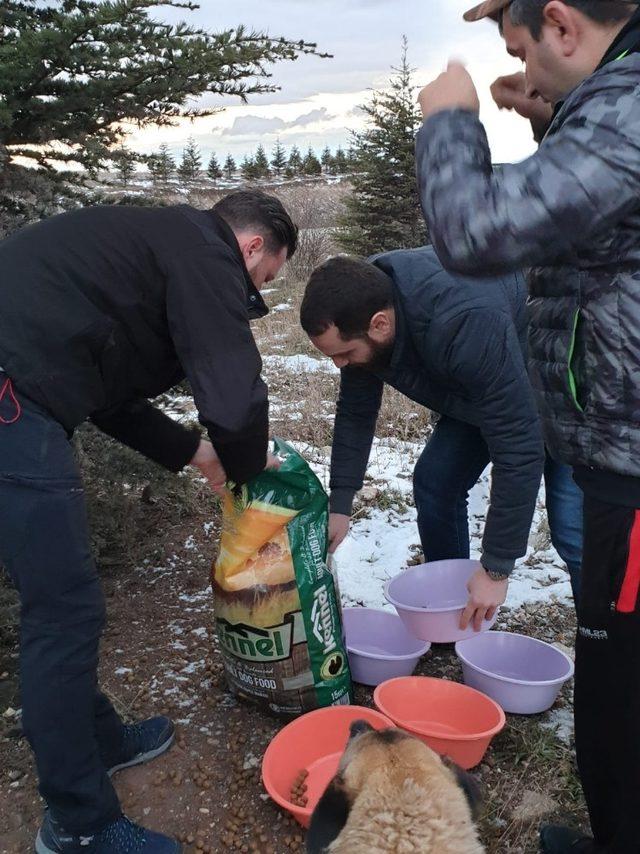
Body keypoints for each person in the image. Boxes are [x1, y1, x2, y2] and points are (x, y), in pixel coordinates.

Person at [0, 190, 297, 854]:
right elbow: (229, 378)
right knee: (64, 612)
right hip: (9, 398)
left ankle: (97, 739)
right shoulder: (203, 251)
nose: (256, 292)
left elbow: (109, 399)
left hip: (20, 389)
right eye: (265, 279)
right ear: (252, 248)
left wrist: (197, 454)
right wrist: (250, 469)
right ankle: (78, 825)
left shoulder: (156, 249)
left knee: (60, 602)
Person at [415, 1, 640, 851]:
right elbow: (601, 233)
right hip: (619, 454)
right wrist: (553, 118)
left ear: (562, 24)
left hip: (633, 470)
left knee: (621, 697)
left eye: (522, 51)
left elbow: (474, 232)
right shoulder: (613, 101)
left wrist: (449, 124)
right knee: (617, 679)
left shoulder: (629, 102)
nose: (522, 71)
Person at [300, 249, 583, 628]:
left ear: (380, 324)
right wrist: (340, 503)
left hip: (561, 382)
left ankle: (608, 638)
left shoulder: (462, 319)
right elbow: (355, 411)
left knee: (573, 528)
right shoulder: (364, 302)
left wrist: (496, 568)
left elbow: (518, 446)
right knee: (436, 481)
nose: (340, 364)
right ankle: (452, 613)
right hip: (484, 382)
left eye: (344, 353)